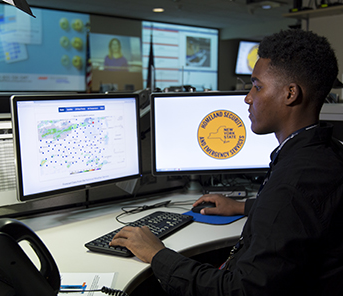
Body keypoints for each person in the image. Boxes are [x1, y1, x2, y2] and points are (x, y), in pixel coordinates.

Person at [110, 29, 343, 295]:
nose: (248, 97)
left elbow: (238, 291)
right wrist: (243, 206)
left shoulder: (292, 183)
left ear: (290, 94)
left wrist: (157, 254)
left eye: (257, 86)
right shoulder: (325, 154)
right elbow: (303, 212)